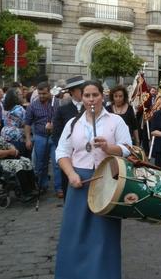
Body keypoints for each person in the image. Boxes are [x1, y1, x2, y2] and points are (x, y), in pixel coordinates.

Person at [55, 80, 132, 279]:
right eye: (87, 95)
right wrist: (71, 174)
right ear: (81, 97)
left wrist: (109, 148)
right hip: (79, 182)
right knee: (75, 233)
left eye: (95, 95)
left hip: (107, 181)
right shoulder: (73, 123)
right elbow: (62, 152)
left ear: (102, 96)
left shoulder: (115, 121)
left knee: (104, 235)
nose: (91, 99)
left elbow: (128, 148)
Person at [0, 115, 36, 202]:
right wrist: (10, 152)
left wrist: (13, 149)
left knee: (26, 161)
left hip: (3, 158)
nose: (0, 124)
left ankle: (32, 188)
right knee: (19, 164)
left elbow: (7, 144)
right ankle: (25, 193)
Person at [24, 82, 61, 197]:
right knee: (41, 163)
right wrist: (28, 139)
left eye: (44, 93)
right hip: (40, 137)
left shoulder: (57, 103)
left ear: (49, 92)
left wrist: (55, 125)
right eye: (39, 94)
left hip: (55, 137)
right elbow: (27, 123)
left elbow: (62, 119)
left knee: (57, 163)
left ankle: (59, 188)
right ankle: (42, 184)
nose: (41, 96)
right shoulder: (33, 106)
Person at [52, 76, 85, 200]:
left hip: (85, 156)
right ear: (72, 91)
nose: (83, 91)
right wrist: (65, 153)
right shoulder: (62, 110)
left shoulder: (90, 108)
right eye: (80, 89)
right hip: (68, 157)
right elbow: (56, 134)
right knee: (68, 185)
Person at [1, 88, 28, 156]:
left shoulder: (6, 108)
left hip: (4, 135)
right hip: (17, 137)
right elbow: (25, 124)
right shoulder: (19, 109)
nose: (23, 96)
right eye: (21, 94)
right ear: (16, 96)